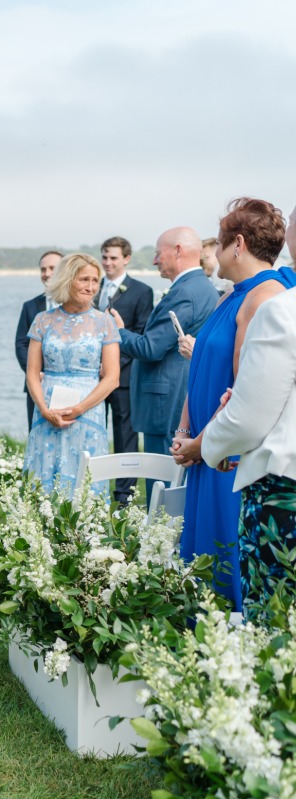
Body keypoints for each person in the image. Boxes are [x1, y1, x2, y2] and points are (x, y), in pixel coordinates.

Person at [169, 199, 288, 612]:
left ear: (238, 245)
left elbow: (240, 392)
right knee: (199, 561)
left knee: (225, 561)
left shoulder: (265, 299)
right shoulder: (228, 297)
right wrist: (185, 432)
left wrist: (203, 442)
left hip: (226, 456)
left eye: (218, 245)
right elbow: (200, 372)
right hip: (202, 449)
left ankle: (226, 652)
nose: (213, 255)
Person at [185, 286, 296, 619]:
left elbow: (250, 417)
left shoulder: (281, 309)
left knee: (275, 618)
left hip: (283, 488)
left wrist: (210, 446)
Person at [110, 227, 218, 462]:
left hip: (166, 403)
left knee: (160, 480)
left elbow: (151, 348)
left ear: (178, 251)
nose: (154, 260)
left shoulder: (185, 292)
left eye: (159, 253)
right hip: (179, 395)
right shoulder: (200, 286)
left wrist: (117, 330)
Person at [23, 254, 121, 496]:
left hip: (87, 411)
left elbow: (112, 378)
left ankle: (84, 531)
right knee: (44, 474)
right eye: (84, 279)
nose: (90, 287)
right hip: (47, 409)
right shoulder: (42, 321)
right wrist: (44, 409)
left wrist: (78, 408)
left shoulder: (104, 322)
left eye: (95, 281)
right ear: (67, 280)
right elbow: (32, 374)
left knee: (83, 477)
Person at [96, 237, 155, 505]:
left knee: (125, 437)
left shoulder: (141, 291)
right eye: (105, 257)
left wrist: (109, 368)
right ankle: (91, 490)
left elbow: (141, 335)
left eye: (114, 258)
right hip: (91, 378)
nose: (108, 263)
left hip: (123, 377)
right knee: (94, 432)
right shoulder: (91, 287)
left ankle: (124, 496)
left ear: (126, 259)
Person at [15, 251, 61, 431]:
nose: (47, 273)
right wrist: (35, 374)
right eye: (43, 269)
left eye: (52, 268)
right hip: (37, 385)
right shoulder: (30, 306)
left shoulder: (79, 306)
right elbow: (21, 344)